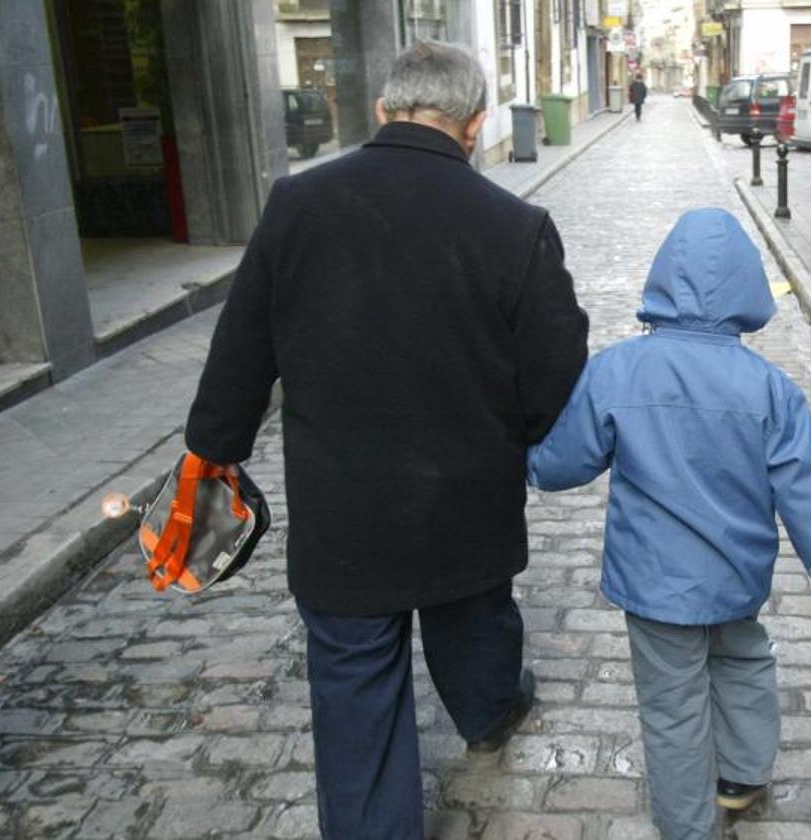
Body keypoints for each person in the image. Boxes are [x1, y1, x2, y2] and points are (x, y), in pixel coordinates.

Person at [184, 41, 588, 838]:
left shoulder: (296, 204)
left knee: (354, 675)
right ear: (473, 127)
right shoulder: (516, 226)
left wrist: (215, 447)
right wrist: (518, 433)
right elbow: (556, 362)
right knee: (475, 618)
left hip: (344, 505)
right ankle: (488, 713)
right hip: (466, 493)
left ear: (380, 110)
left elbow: (242, 346)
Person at [527, 208, 811, 839]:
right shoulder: (771, 389)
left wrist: (534, 468)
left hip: (654, 585)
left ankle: (686, 827)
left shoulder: (617, 369)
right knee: (743, 660)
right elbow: (807, 488)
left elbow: (570, 458)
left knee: (672, 705)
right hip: (736, 576)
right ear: (747, 290)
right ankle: (742, 776)